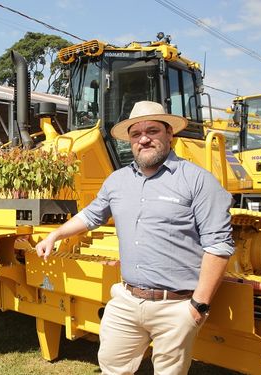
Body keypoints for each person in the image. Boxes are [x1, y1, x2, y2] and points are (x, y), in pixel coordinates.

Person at [35, 101, 234, 374]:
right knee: (112, 367)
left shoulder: (198, 181)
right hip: (126, 301)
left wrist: (198, 306)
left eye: (152, 130)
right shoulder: (116, 181)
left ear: (169, 134)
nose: (143, 139)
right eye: (135, 133)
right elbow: (91, 216)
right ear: (129, 140)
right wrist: (55, 234)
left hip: (176, 306)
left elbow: (218, 246)